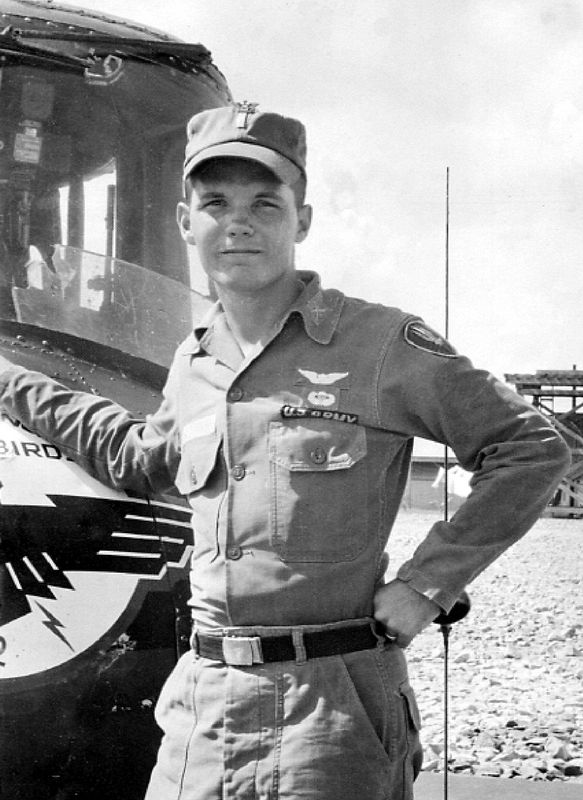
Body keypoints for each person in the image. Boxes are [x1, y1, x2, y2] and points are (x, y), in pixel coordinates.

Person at [0, 104, 570, 800]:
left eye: (264, 203)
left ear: (300, 220)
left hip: (331, 713)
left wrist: (429, 584)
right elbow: (141, 459)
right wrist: (10, 381)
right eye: (215, 203)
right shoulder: (195, 361)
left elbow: (530, 447)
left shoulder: (381, 344)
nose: (237, 222)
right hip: (203, 709)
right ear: (187, 222)